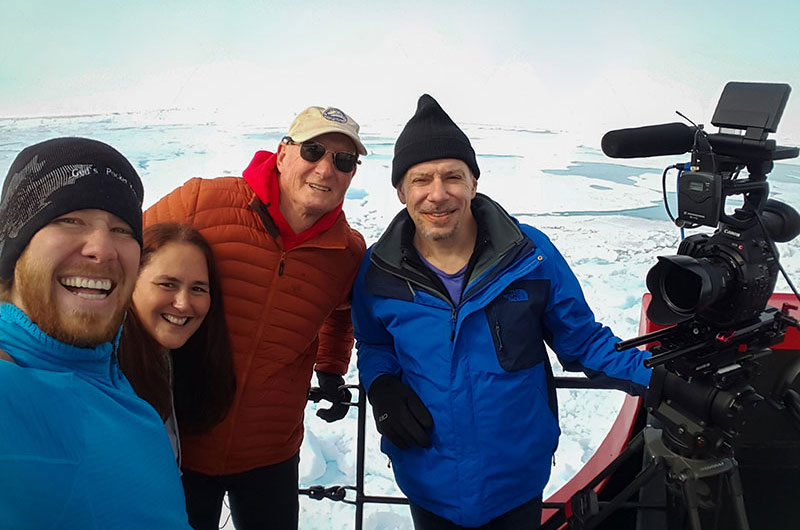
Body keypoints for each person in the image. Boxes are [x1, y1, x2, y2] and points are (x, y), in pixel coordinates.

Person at [351, 95, 653, 529]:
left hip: (514, 483)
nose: (438, 194)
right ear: (401, 191)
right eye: (421, 180)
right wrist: (381, 385)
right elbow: (375, 342)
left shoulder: (529, 256)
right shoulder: (379, 271)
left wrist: (660, 378)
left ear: (474, 182)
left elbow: (583, 342)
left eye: (453, 176)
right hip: (428, 480)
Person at [144, 105, 368, 529]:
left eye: (343, 160)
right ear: (283, 153)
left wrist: (332, 368)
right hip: (178, 443)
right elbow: (124, 265)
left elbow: (341, 313)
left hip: (271, 454)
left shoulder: (346, 252)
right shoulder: (201, 202)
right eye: (314, 150)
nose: (325, 168)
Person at [0, 137, 190, 529]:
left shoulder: (118, 384)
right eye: (69, 220)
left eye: (122, 230)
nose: (102, 248)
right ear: (15, 246)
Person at [118, 222, 236, 462]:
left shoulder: (163, 359)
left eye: (198, 289)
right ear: (130, 282)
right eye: (167, 284)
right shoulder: (104, 374)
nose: (183, 303)